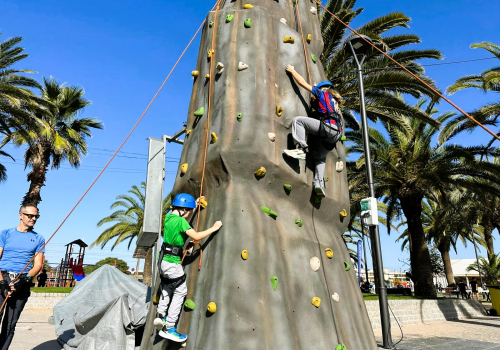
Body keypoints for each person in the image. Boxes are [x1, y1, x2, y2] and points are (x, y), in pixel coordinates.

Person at [153, 193, 222, 342]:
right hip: (172, 262)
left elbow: (181, 222)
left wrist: (195, 205)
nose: (189, 214)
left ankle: (160, 315)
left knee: (167, 286)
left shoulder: (169, 218)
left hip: (162, 261)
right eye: (189, 211)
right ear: (183, 209)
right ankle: (170, 328)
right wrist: (214, 228)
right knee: (180, 290)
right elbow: (196, 236)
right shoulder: (181, 221)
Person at [283, 64, 344, 198]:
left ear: (323, 88)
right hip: (335, 136)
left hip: (328, 128)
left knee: (298, 121)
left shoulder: (322, 93)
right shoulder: (336, 104)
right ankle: (318, 185)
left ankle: (300, 148)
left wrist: (292, 70)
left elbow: (303, 83)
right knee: (321, 158)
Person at [0, 204, 45, 349]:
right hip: (3, 276)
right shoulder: (5, 234)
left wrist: (24, 280)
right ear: (21, 215)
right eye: (30, 215)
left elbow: (37, 264)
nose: (33, 219)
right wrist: (2, 283)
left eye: (36, 216)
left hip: (22, 279)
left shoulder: (39, 238)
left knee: (10, 324)